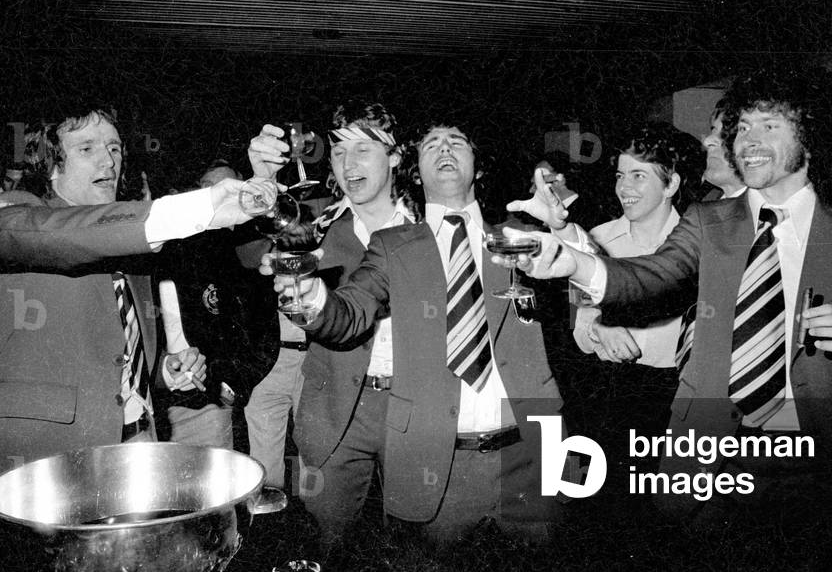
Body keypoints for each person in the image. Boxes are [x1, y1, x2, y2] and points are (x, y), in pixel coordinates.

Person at [503, 67, 832, 515]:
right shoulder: (708, 221)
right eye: (742, 127)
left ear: (809, 138)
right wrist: (577, 263)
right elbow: (653, 276)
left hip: (813, 463)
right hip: (704, 460)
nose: (748, 140)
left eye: (769, 125)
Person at [268, 122, 563, 543]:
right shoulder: (394, 246)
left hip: (530, 452)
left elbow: (593, 292)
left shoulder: (520, 238)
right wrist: (313, 295)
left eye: (457, 142)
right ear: (416, 171)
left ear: (477, 166)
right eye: (431, 146)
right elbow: (348, 314)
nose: (445, 149)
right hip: (440, 462)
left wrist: (565, 232)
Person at [0, 108, 260, 470]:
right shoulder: (20, 213)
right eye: (86, 149)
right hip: (50, 454)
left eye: (115, 148)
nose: (108, 161)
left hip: (139, 437)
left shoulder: (132, 254)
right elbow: (57, 233)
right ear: (50, 163)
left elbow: (114, 358)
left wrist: (164, 372)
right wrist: (200, 207)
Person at [246, 101, 416, 555]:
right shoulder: (317, 227)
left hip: (417, 410)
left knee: (412, 547)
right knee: (327, 543)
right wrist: (262, 182)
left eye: (362, 149)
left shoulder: (430, 228)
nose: (347, 164)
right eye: (339, 152)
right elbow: (253, 249)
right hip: (334, 408)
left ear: (396, 156)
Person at [570, 124, 703, 481]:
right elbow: (580, 331)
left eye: (639, 176)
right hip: (613, 393)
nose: (624, 188)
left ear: (671, 184)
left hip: (681, 395)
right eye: (620, 175)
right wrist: (599, 327)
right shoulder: (599, 239)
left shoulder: (701, 243)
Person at [152, 160, 279, 450]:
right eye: (209, 188)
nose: (219, 196)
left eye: (227, 188)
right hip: (154, 398)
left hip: (205, 405)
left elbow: (264, 330)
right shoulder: (170, 244)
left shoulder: (243, 255)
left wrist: (232, 384)